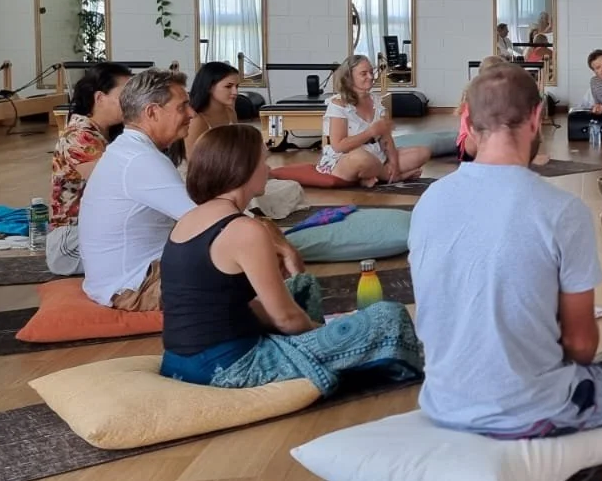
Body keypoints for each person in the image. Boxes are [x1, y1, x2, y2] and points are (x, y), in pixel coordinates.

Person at [410, 63, 602, 440]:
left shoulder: (429, 201)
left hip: (442, 400)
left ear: (468, 119)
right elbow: (581, 346)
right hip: (531, 406)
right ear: (536, 118)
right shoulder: (563, 211)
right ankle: (562, 457)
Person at [159, 123, 423, 391]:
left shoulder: (187, 221)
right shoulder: (244, 230)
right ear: (243, 168)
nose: (268, 168)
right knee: (388, 317)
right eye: (263, 160)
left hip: (178, 362)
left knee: (302, 287)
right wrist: (322, 333)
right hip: (229, 367)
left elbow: (237, 304)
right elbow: (285, 319)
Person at [78, 68, 196, 310]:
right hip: (135, 288)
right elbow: (206, 219)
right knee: (248, 256)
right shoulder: (139, 159)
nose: (192, 113)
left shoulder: (131, 150)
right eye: (182, 106)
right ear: (152, 112)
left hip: (134, 277)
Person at [46, 62, 132, 277]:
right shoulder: (79, 136)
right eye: (126, 95)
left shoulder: (101, 133)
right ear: (99, 98)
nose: (133, 102)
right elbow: (118, 188)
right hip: (70, 242)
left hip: (93, 233)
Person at [318, 55, 431, 185]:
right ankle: (390, 177)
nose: (371, 77)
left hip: (377, 156)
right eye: (364, 74)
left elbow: (387, 141)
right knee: (362, 159)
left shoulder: (376, 101)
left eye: (371, 72)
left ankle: (372, 176)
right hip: (345, 159)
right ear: (349, 78)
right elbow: (339, 146)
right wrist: (371, 132)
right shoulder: (338, 104)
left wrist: (394, 165)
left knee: (423, 152)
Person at [185, 61, 241, 159]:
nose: (235, 92)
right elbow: (193, 162)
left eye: (236, 87)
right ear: (209, 87)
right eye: (228, 86)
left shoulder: (230, 112)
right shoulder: (197, 121)